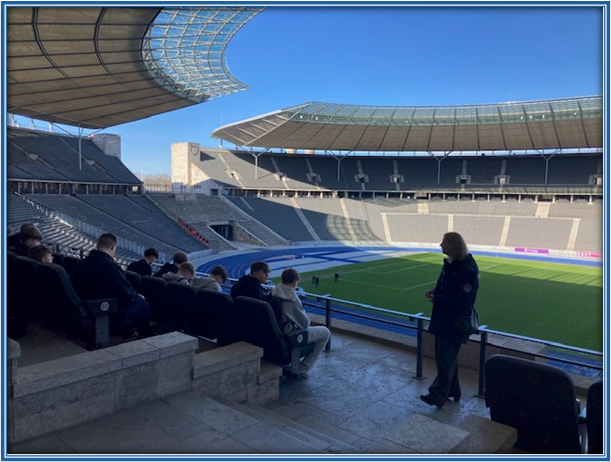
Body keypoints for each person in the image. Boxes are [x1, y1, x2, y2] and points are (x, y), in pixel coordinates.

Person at [420, 232, 479, 409]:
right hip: (444, 319)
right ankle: (454, 391)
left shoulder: (466, 269)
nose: (440, 245)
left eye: (444, 242)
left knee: (445, 360)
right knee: (447, 358)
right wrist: (434, 292)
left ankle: (437, 395)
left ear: (453, 245)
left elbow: (463, 299)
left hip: (454, 322)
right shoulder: (452, 264)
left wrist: (437, 299)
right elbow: (445, 288)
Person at [71, 233, 151, 341]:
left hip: (85, 306)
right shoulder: (110, 266)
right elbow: (126, 293)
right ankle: (143, 336)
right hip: (107, 308)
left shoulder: (81, 263)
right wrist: (138, 297)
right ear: (113, 247)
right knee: (142, 304)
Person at [271, 268, 330, 379]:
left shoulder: (274, 291)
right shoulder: (292, 299)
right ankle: (303, 368)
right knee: (325, 332)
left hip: (278, 330)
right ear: (294, 283)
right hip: (290, 334)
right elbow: (305, 324)